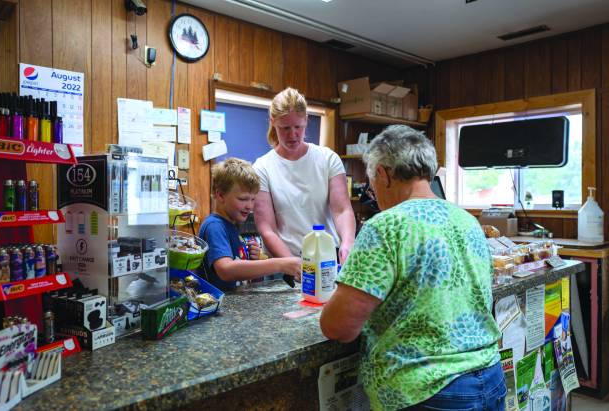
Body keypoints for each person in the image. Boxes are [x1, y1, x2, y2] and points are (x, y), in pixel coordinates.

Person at [320, 125, 505, 410]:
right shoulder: (466, 220)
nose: (374, 192)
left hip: (425, 391)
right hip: (489, 378)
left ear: (383, 174)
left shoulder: (386, 226)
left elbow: (339, 326)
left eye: (372, 183)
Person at [253, 87, 355, 263]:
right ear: (273, 122)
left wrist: (347, 243)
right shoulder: (262, 167)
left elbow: (342, 210)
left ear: (306, 120)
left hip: (327, 258)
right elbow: (267, 228)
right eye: (285, 128)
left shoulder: (328, 158)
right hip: (286, 261)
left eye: (298, 127)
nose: (292, 135)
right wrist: (293, 264)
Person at [199, 158, 301, 291]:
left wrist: (253, 258)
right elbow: (225, 269)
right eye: (243, 199)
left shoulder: (231, 225)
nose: (250, 206)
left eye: (253, 199)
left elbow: (237, 269)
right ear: (220, 195)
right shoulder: (214, 226)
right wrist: (280, 264)